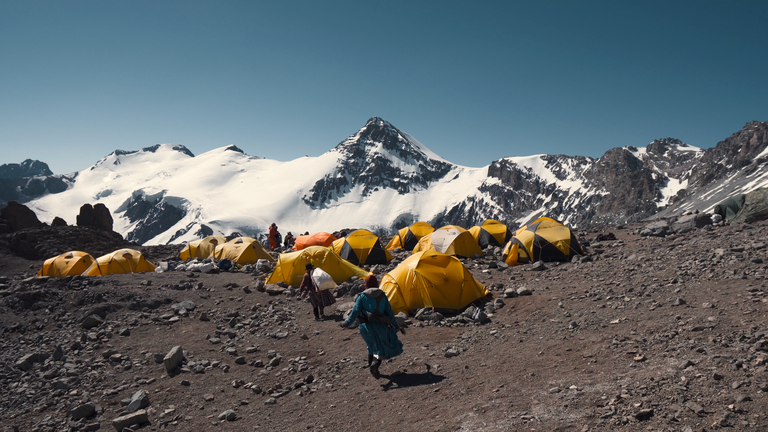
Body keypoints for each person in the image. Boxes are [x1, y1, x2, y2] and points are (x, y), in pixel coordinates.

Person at [340, 275, 404, 379]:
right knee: (379, 348)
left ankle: (372, 366)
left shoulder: (362, 297)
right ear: (376, 284)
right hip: (381, 327)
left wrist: (347, 323)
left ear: (366, 284)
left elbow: (355, 311)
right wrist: (395, 324)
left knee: (371, 346)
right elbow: (389, 312)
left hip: (366, 327)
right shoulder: (382, 296)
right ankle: (374, 364)